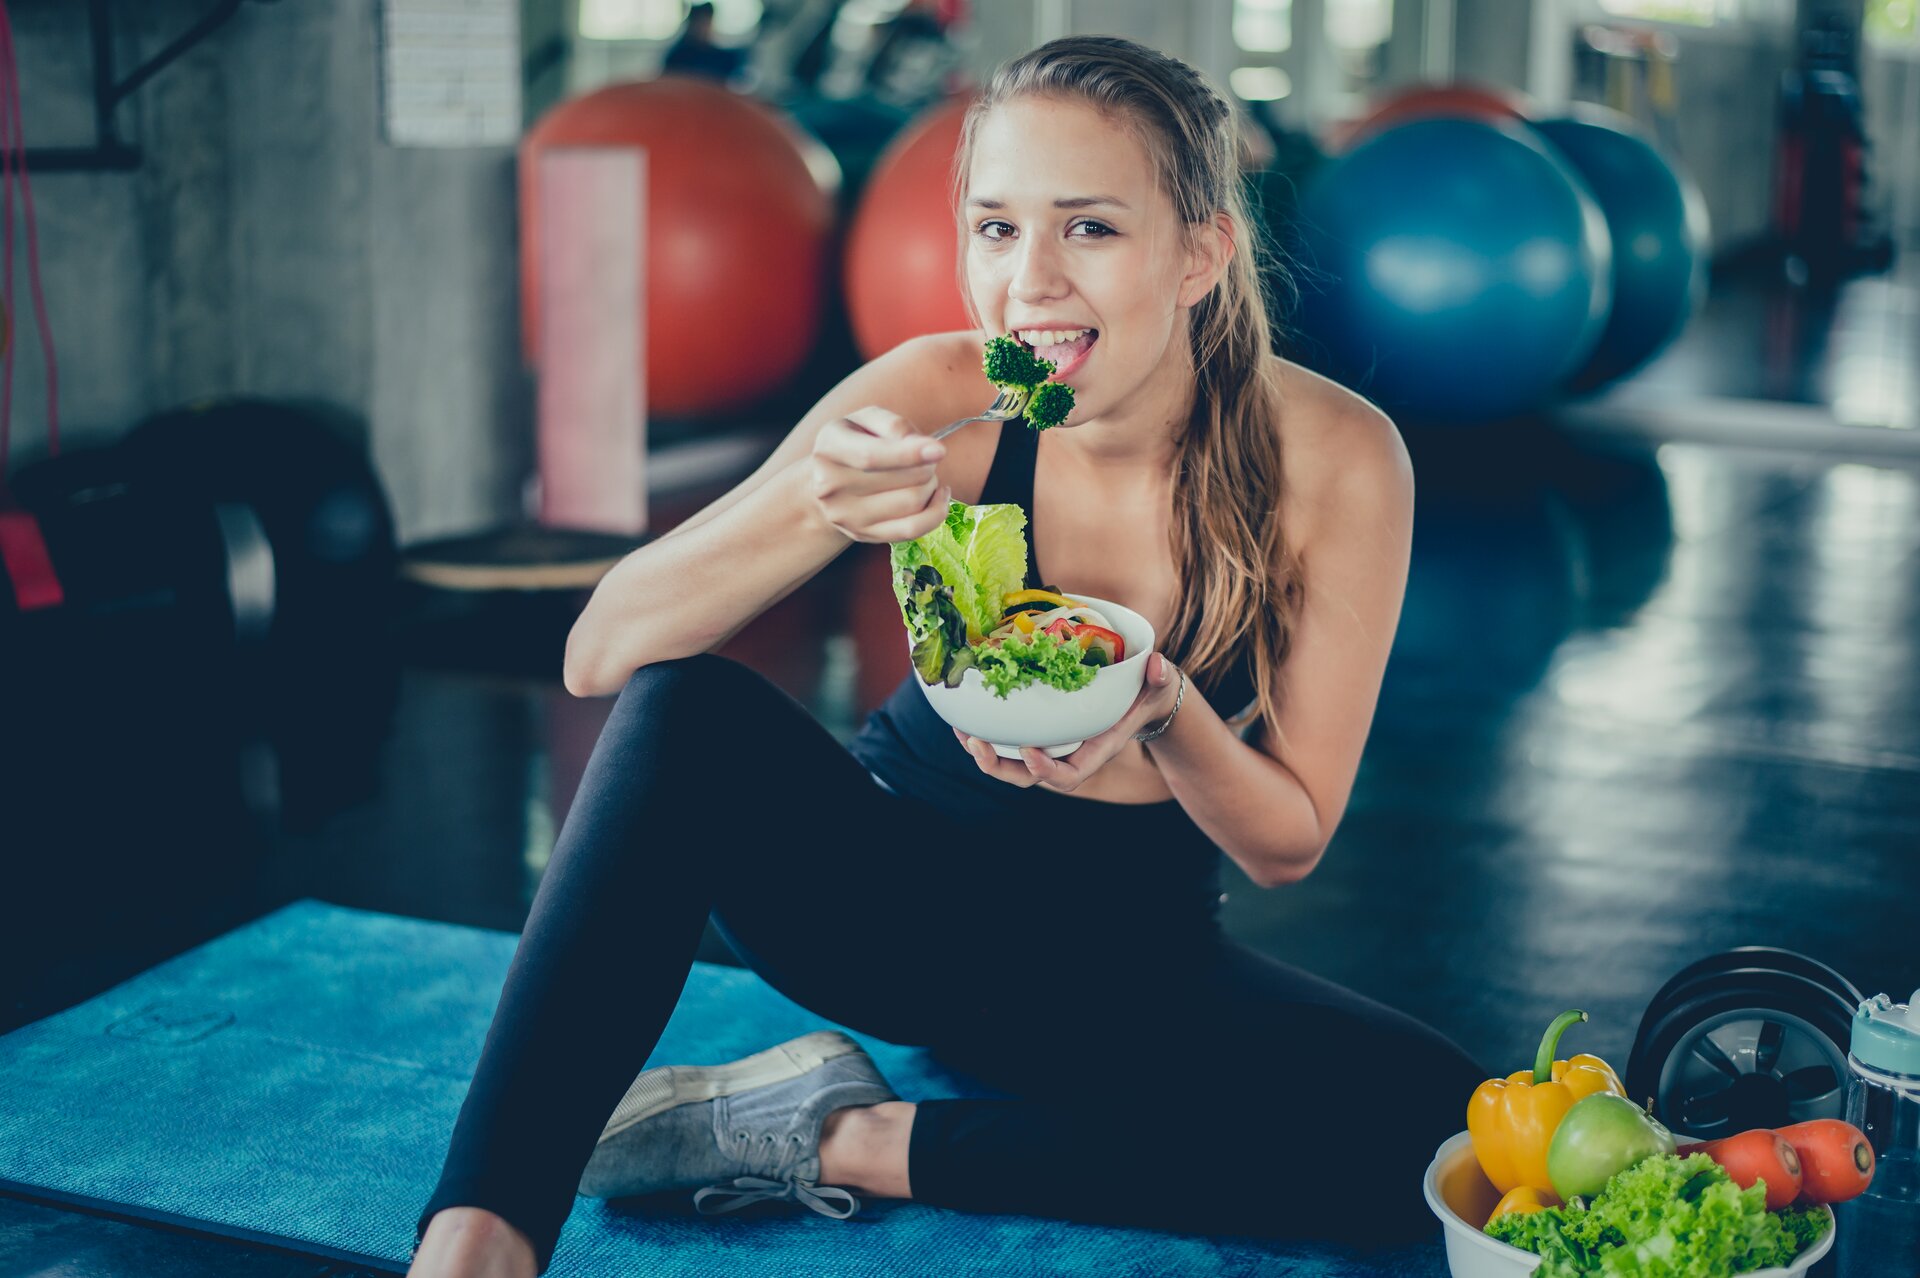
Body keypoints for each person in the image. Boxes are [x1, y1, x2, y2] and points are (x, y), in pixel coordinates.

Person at [408, 35, 1487, 1278]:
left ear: (1199, 254)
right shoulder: (940, 393)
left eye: (1089, 230)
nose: (1029, 284)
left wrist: (1163, 712)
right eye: (994, 229)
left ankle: (853, 1137)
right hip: (890, 908)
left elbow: (1286, 838)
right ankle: (476, 1244)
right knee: (686, 710)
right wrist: (813, 506)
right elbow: (603, 651)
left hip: (1126, 966)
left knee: (1440, 1141)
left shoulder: (1341, 460)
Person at [661, 3, 744, 82]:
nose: (702, 28)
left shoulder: (726, 58)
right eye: (699, 23)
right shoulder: (678, 56)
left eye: (706, 23)